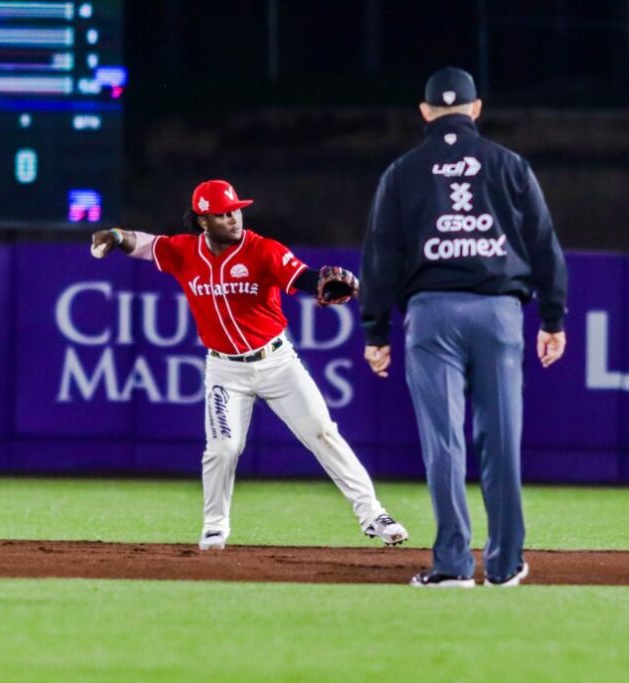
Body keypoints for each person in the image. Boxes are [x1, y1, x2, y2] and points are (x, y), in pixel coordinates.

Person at [91, 179, 408, 551]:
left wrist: (318, 283)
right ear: (203, 220)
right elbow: (140, 242)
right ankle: (214, 527)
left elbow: (302, 276)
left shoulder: (262, 250)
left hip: (277, 362)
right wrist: (112, 234)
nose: (234, 218)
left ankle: (374, 515)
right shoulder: (184, 251)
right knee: (222, 448)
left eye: (236, 209)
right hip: (225, 370)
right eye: (223, 214)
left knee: (323, 432)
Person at [360, 67, 568, 588]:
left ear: (425, 111)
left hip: (431, 315)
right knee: (500, 441)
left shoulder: (404, 171)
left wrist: (376, 331)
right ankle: (502, 565)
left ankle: (453, 563)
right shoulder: (508, 164)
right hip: (498, 313)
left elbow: (380, 256)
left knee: (444, 443)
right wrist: (553, 317)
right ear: (476, 109)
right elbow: (543, 243)